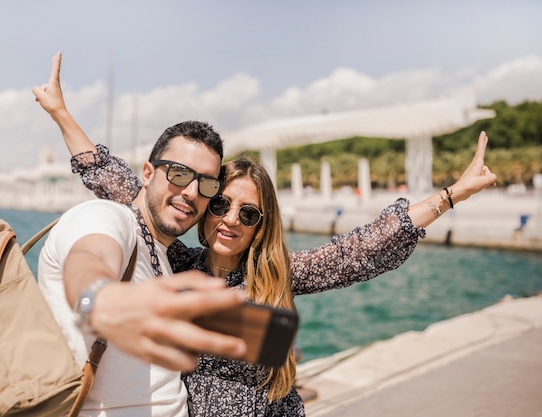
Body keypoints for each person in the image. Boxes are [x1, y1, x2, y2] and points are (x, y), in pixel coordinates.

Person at [36, 52, 498, 416]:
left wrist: (451, 195)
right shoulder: (174, 263)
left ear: (262, 225)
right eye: (220, 204)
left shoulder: (275, 275)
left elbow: (360, 247)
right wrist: (61, 115)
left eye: (249, 213)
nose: (231, 219)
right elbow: (125, 187)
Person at [34, 65, 255, 415]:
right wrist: (100, 303)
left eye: (208, 184)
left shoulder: (168, 259)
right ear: (148, 173)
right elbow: (90, 259)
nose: (192, 192)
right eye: (179, 174)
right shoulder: (107, 218)